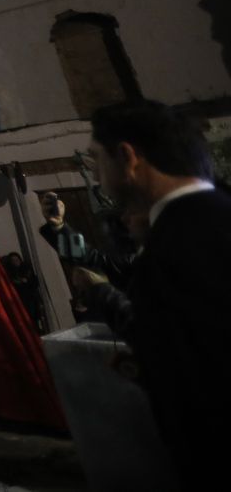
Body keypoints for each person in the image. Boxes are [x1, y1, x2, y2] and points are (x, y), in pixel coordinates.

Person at [63, 100, 231, 486]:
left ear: (127, 158)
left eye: (97, 160)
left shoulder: (180, 244)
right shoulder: (212, 216)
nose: (98, 176)